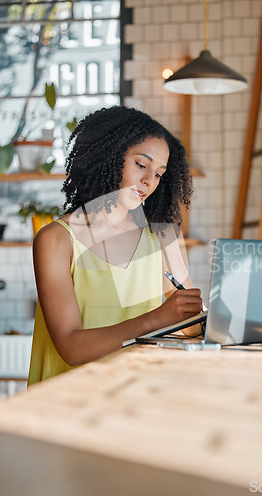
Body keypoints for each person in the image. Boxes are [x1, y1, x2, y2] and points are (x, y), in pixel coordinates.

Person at [28, 106, 203, 385]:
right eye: (141, 164)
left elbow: (189, 327)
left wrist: (204, 316)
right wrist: (158, 318)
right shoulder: (56, 240)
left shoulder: (161, 236)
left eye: (159, 173)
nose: (149, 181)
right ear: (107, 156)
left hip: (131, 396)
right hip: (65, 404)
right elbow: (71, 347)